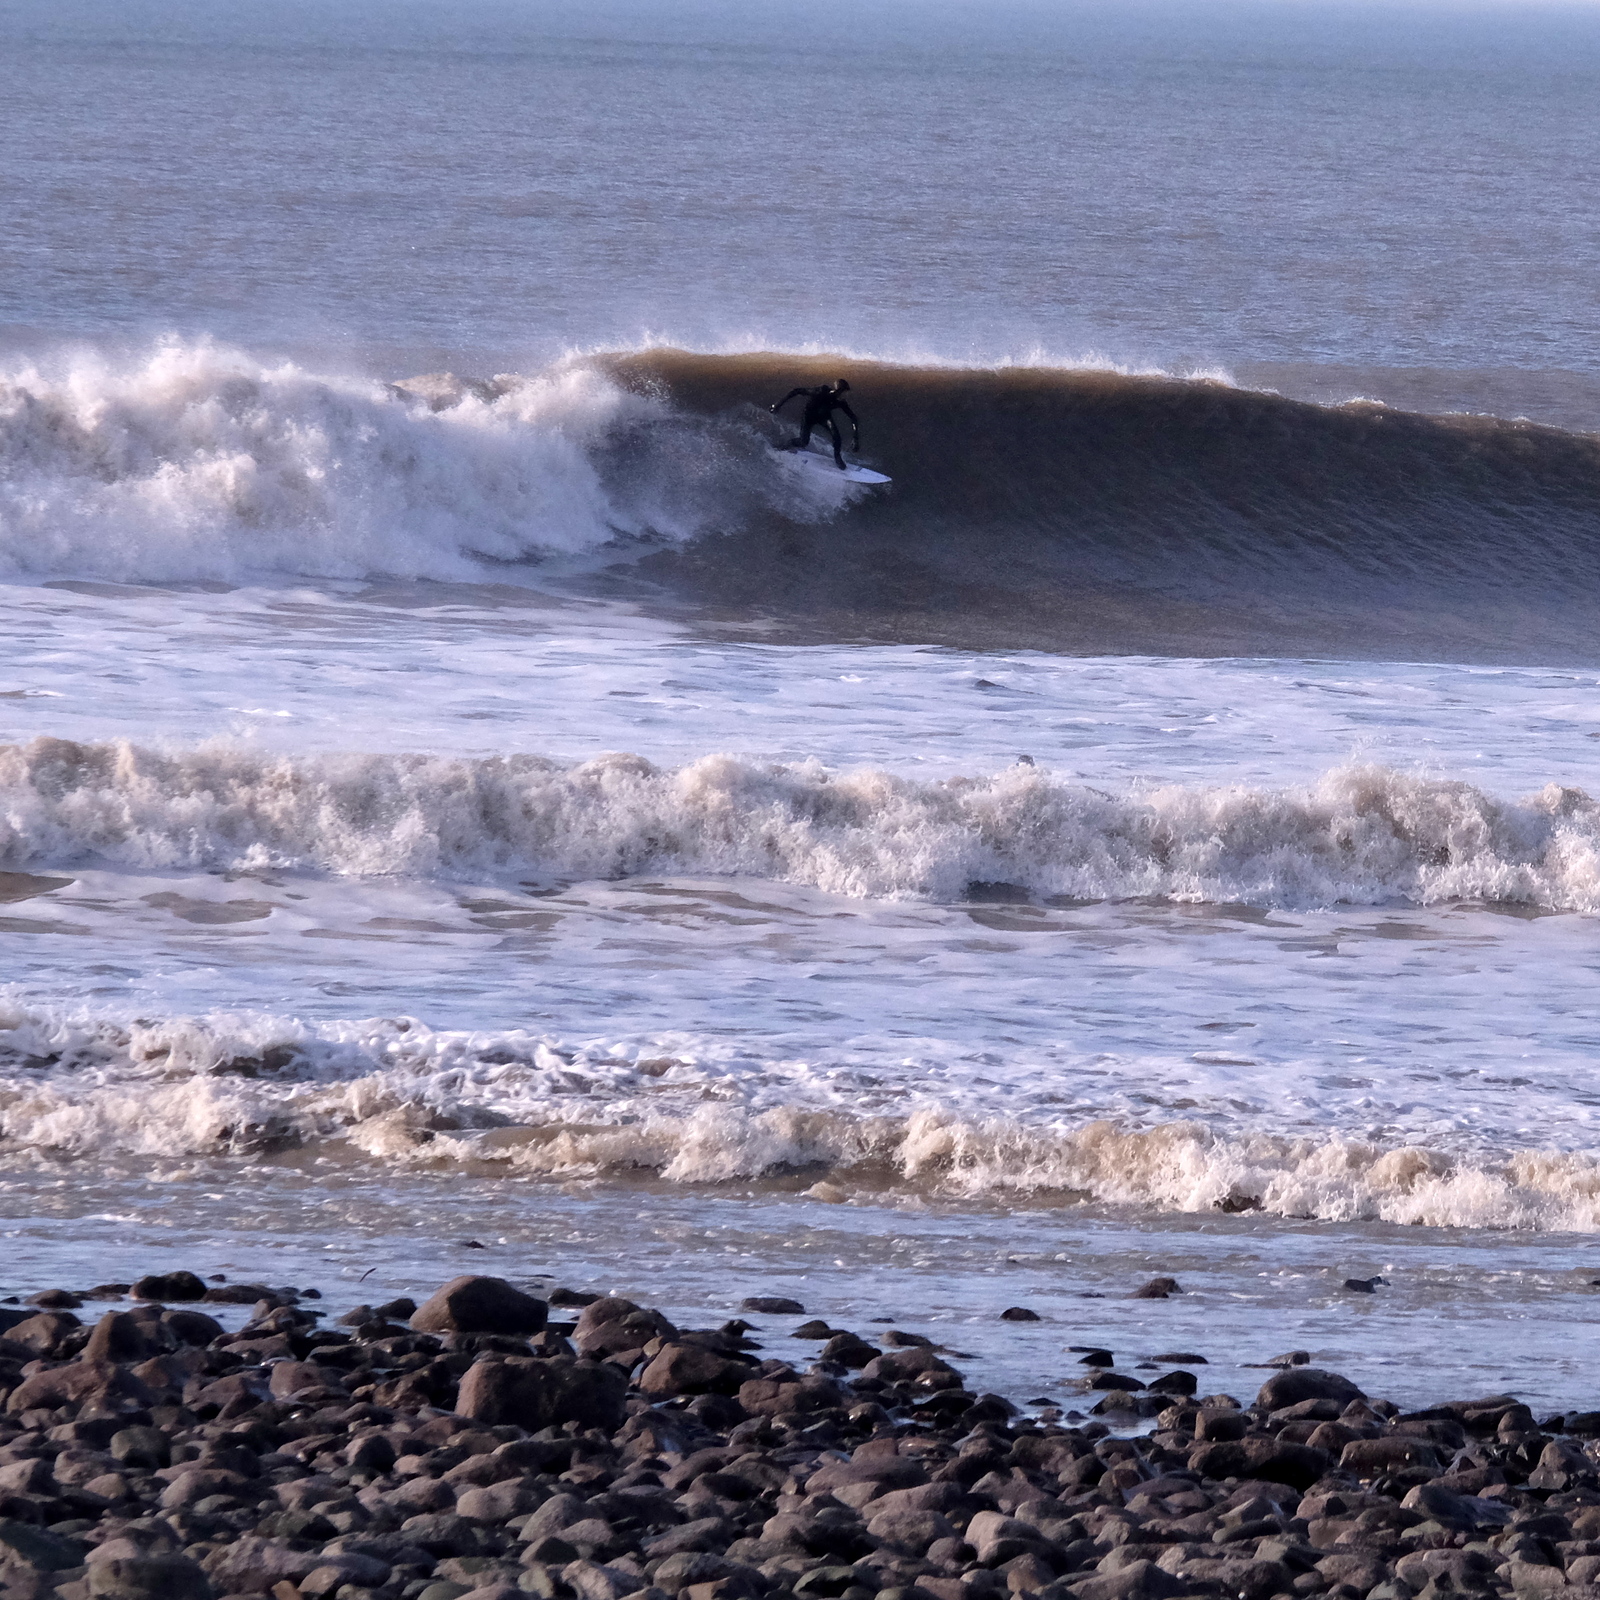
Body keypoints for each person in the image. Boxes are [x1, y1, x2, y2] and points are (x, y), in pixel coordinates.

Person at [770, 379, 859, 469]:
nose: (845, 395)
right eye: (844, 392)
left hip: (824, 417)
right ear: (839, 390)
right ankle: (785, 445)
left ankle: (837, 457)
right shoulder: (822, 390)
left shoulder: (841, 402)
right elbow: (797, 391)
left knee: (837, 436)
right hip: (809, 416)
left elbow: (853, 418)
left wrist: (855, 438)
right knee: (803, 442)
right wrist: (778, 404)